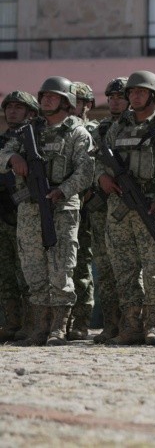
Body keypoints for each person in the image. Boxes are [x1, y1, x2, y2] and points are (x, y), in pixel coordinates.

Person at [0, 77, 94, 346]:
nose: (46, 100)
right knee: (33, 268)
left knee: (61, 267)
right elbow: (2, 156)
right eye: (44, 96)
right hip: (29, 208)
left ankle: (58, 327)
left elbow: (86, 171)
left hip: (62, 208)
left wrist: (62, 191)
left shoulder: (77, 132)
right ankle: (40, 326)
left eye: (53, 96)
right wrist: (12, 158)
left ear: (66, 101)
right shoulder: (28, 131)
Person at [98, 70, 155, 346]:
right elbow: (101, 158)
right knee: (124, 270)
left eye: (140, 91)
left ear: (153, 95)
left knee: (153, 270)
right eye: (131, 92)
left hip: (153, 208)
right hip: (120, 210)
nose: (134, 96)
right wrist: (101, 176)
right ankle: (131, 325)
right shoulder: (118, 127)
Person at [88, 77, 129, 344]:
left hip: (130, 206)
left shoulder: (137, 127)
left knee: (130, 266)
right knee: (104, 267)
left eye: (120, 97)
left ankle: (133, 322)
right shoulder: (101, 129)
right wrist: (100, 176)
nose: (114, 101)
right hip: (102, 207)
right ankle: (111, 323)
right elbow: (87, 161)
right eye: (111, 97)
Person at [0, 91, 39, 342]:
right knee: (4, 273)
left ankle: (31, 323)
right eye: (9, 107)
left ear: (31, 113)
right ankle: (12, 322)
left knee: (29, 273)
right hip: (3, 214)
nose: (12, 111)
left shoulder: (37, 139)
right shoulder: (2, 142)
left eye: (19, 107)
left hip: (29, 213)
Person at [66, 82, 97, 340]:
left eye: (77, 100)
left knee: (84, 265)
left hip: (90, 208)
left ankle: (81, 321)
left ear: (87, 105)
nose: (72, 104)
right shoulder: (57, 132)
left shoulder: (95, 131)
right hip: (62, 207)